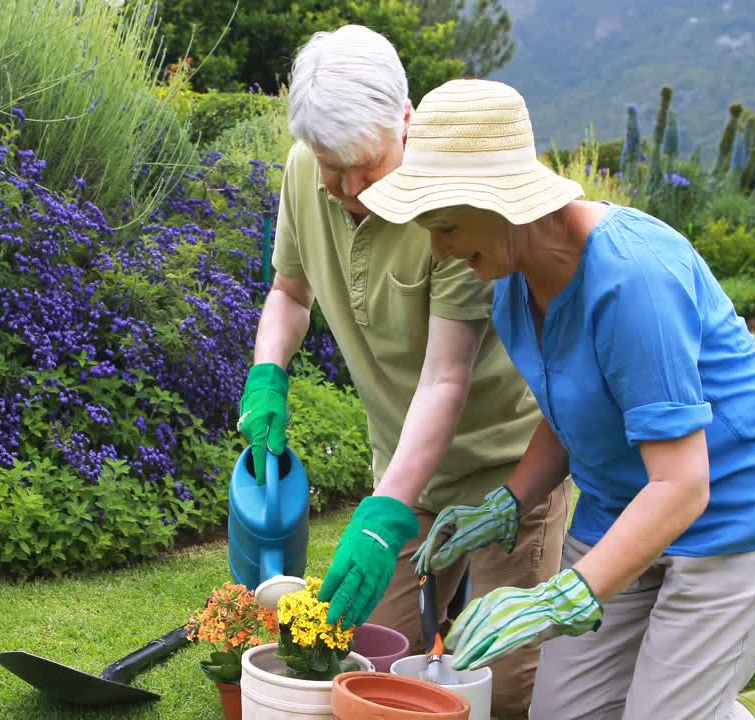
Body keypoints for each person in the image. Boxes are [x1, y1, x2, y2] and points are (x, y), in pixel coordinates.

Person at [358, 78, 755, 719]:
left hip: (731, 519)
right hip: (619, 508)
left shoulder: (633, 279)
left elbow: (683, 485)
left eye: (448, 226)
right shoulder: (512, 282)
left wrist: (559, 598)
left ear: (502, 202)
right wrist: (507, 502)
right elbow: (574, 408)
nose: (440, 249)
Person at [235, 26, 569, 718]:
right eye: (334, 169)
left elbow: (446, 378)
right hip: (405, 470)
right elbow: (290, 294)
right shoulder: (306, 170)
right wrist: (268, 372)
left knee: (502, 687)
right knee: (364, 661)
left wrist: (382, 516)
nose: (351, 189)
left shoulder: (450, 205)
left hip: (506, 472)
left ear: (406, 121)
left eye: (367, 166)